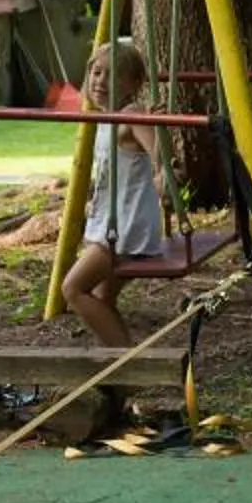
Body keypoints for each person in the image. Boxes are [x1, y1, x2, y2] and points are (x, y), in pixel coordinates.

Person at [59, 39, 166, 348]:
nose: (100, 81)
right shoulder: (105, 119)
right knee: (103, 297)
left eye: (112, 75)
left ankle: (129, 367)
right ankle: (121, 367)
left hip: (124, 229)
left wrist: (158, 129)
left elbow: (159, 159)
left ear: (133, 83)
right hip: (112, 221)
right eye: (96, 72)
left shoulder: (130, 113)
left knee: (73, 289)